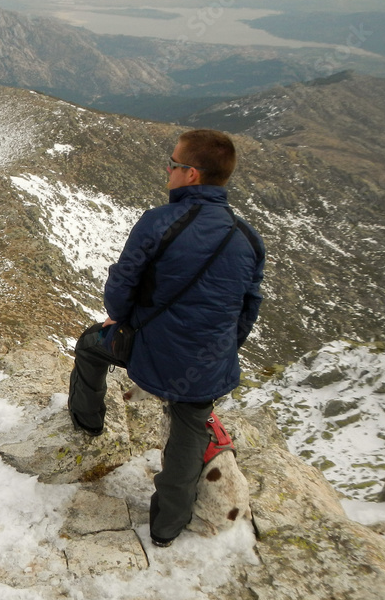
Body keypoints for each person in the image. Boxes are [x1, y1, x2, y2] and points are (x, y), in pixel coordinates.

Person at [67, 128, 265, 547]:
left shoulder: (160, 222)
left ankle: (88, 423)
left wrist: (119, 320)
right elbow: (248, 310)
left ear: (190, 174)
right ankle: (166, 527)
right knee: (189, 432)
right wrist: (217, 350)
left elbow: (121, 287)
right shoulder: (248, 238)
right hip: (208, 365)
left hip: (149, 352)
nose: (168, 170)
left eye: (173, 164)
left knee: (89, 346)